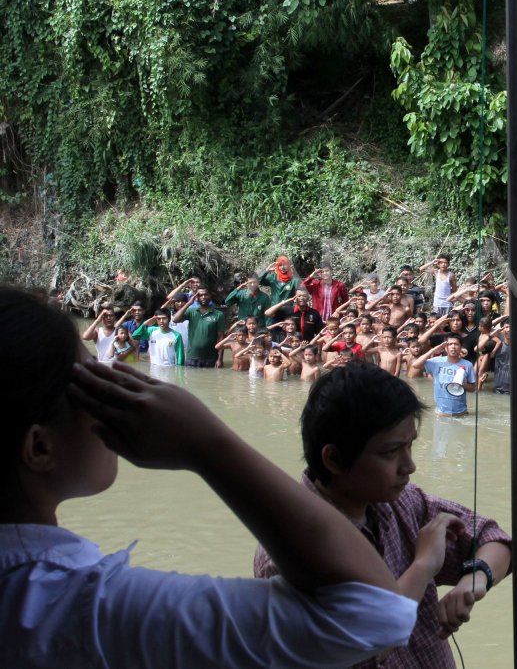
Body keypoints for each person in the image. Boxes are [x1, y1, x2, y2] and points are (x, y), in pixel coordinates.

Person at [0, 286, 463, 668]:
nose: (116, 385)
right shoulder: (90, 610)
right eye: (94, 384)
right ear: (40, 447)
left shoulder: (46, 598)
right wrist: (205, 444)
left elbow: (487, 537)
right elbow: (373, 617)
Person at [253, 361, 511, 669]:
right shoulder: (287, 554)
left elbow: (494, 539)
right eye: (391, 452)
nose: (409, 466)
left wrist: (475, 579)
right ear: (334, 459)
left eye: (410, 446)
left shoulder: (401, 502)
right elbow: (358, 654)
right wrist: (422, 567)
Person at [409, 336, 477, 417]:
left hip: (461, 413)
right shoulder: (436, 362)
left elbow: (473, 389)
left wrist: (464, 385)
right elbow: (415, 365)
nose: (453, 347)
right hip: (441, 414)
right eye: (450, 344)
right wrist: (434, 350)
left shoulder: (468, 365)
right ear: (445, 348)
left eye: (456, 344)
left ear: (461, 348)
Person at [172, 287, 225, 368]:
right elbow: (175, 319)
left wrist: (220, 359)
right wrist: (188, 303)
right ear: (196, 297)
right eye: (200, 295)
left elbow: (221, 337)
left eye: (205, 294)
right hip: (192, 358)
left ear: (210, 296)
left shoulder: (218, 314)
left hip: (211, 358)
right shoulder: (191, 311)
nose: (203, 297)